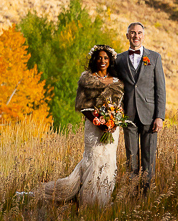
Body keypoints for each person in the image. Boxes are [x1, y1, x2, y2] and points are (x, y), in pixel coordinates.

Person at [36, 45, 125, 207]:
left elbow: (120, 104)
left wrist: (115, 121)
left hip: (113, 129)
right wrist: (98, 122)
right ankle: (89, 201)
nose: (103, 61)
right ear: (94, 60)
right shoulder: (87, 79)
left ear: (110, 60)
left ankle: (103, 199)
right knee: (94, 160)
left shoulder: (118, 82)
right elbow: (82, 106)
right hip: (94, 127)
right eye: (99, 58)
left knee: (109, 161)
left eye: (106, 58)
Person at [112, 22, 166, 196]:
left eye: (139, 33)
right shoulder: (119, 59)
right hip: (128, 116)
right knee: (131, 159)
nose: (136, 36)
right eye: (132, 33)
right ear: (127, 35)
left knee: (148, 159)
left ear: (143, 35)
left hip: (150, 116)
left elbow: (160, 89)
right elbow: (115, 87)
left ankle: (146, 196)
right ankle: (132, 195)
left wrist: (160, 116)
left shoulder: (155, 58)